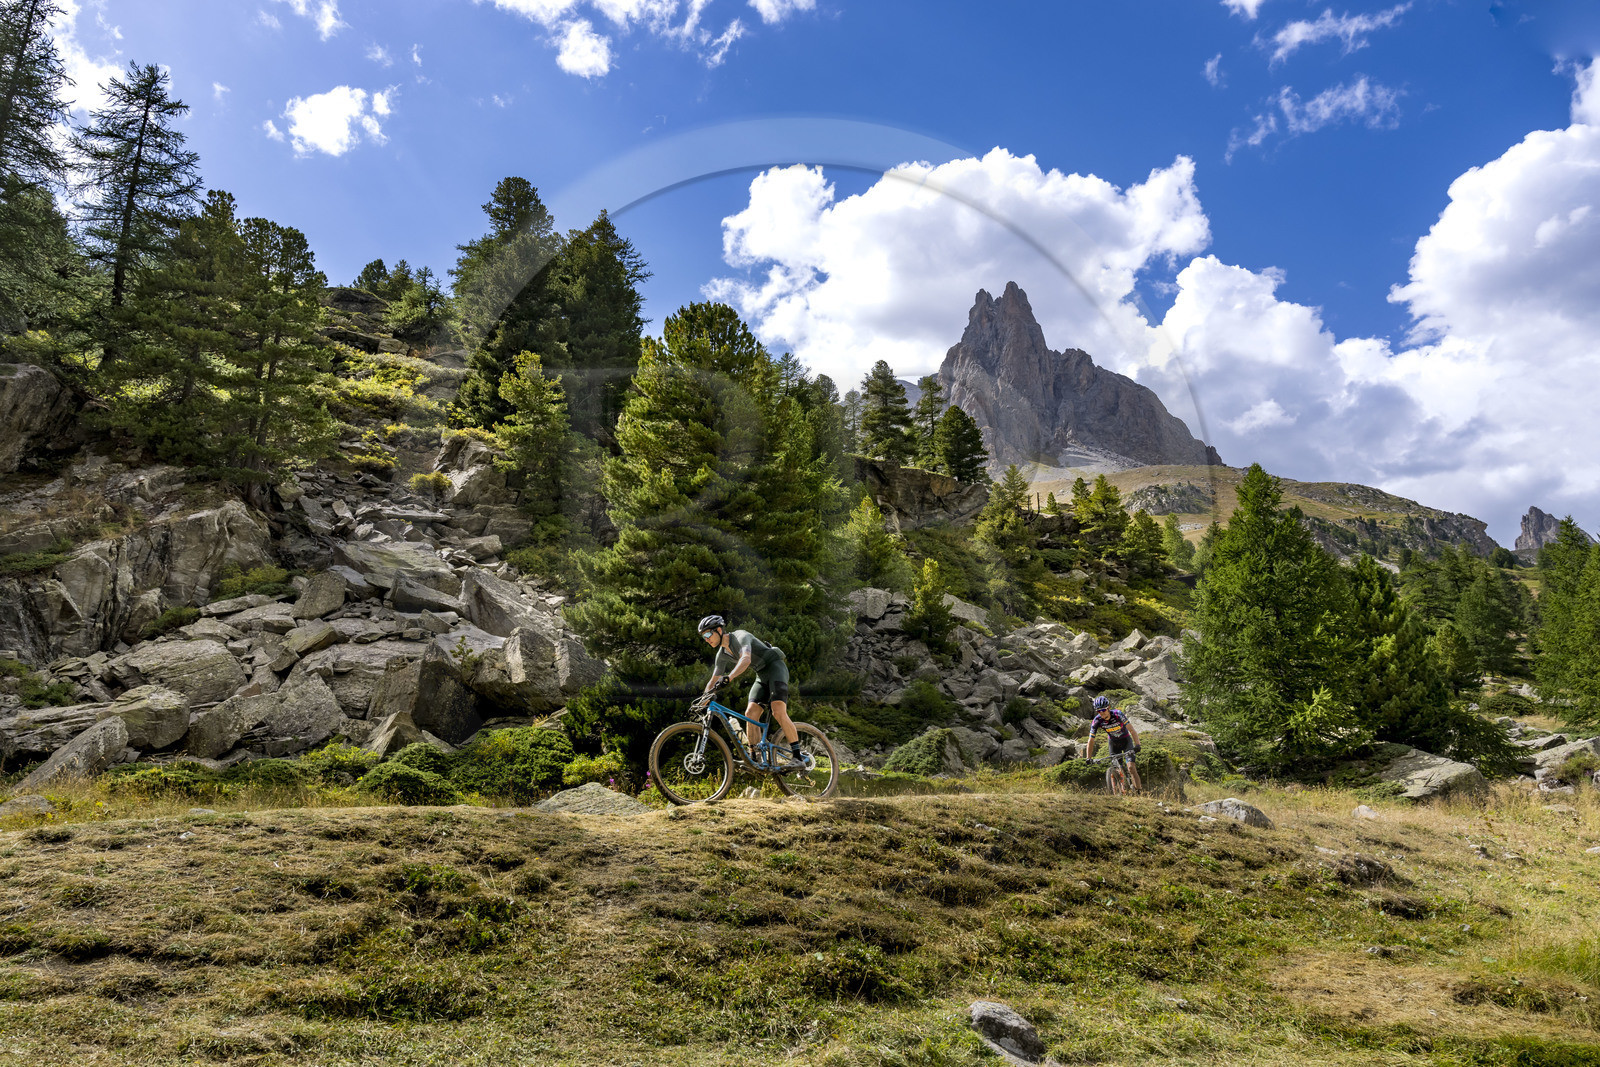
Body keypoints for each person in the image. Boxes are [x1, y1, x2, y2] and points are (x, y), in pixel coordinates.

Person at [698, 615, 806, 767]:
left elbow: (746, 659)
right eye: (704, 637)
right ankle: (754, 758)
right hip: (761, 674)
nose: (707, 639)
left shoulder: (740, 636)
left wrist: (730, 677)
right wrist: (702, 700)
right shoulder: (721, 655)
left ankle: (797, 758)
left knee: (778, 711)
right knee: (750, 714)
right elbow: (713, 680)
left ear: (719, 630)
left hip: (775, 667)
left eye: (708, 634)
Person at [1084, 694, 1142, 792]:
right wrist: (1088, 758)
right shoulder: (1097, 720)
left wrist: (1137, 745)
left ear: (1109, 708)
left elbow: (1132, 730)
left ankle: (1139, 791)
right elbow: (1091, 740)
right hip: (1113, 743)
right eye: (1099, 711)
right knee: (1116, 768)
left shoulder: (1118, 714)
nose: (1101, 713)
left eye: (1103, 710)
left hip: (1126, 741)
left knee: (1131, 767)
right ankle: (1122, 791)